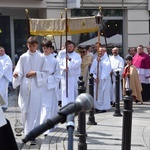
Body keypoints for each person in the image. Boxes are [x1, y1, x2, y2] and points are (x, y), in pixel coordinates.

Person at [12, 36, 49, 145]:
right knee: (25, 109)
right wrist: (16, 75)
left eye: (33, 45)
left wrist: (36, 73)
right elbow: (19, 71)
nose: (31, 47)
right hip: (25, 85)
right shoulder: (23, 57)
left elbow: (46, 72)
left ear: (37, 45)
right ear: (27, 45)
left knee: (34, 110)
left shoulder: (41, 57)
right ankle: (25, 130)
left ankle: (32, 134)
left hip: (36, 87)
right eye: (29, 45)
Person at [40, 39, 60, 136]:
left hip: (49, 85)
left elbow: (57, 76)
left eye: (47, 48)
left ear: (50, 48)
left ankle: (47, 126)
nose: (45, 50)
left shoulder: (55, 60)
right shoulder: (39, 58)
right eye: (43, 48)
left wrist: (48, 79)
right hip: (40, 84)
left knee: (48, 106)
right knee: (42, 106)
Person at [57, 41, 82, 107]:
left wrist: (70, 59)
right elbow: (58, 64)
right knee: (64, 92)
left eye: (70, 47)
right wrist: (63, 68)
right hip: (64, 77)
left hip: (73, 77)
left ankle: (74, 106)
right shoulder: (62, 54)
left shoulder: (77, 55)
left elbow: (77, 64)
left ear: (73, 47)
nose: (69, 48)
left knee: (73, 92)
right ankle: (65, 105)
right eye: (68, 46)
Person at [90, 47, 112, 113]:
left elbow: (108, 69)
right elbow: (92, 70)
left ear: (104, 52)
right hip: (97, 79)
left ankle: (103, 107)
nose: (100, 53)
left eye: (102, 51)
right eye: (99, 51)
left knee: (103, 94)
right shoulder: (95, 60)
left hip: (103, 79)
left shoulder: (107, 59)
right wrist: (95, 77)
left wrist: (100, 62)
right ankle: (97, 107)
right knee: (97, 94)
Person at [0, 46, 13, 111]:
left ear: (4, 51)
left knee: (2, 91)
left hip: (4, 77)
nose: (0, 52)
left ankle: (3, 106)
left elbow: (8, 66)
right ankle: (4, 106)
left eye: (2, 50)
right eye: (0, 50)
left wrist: (2, 72)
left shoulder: (7, 58)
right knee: (3, 92)